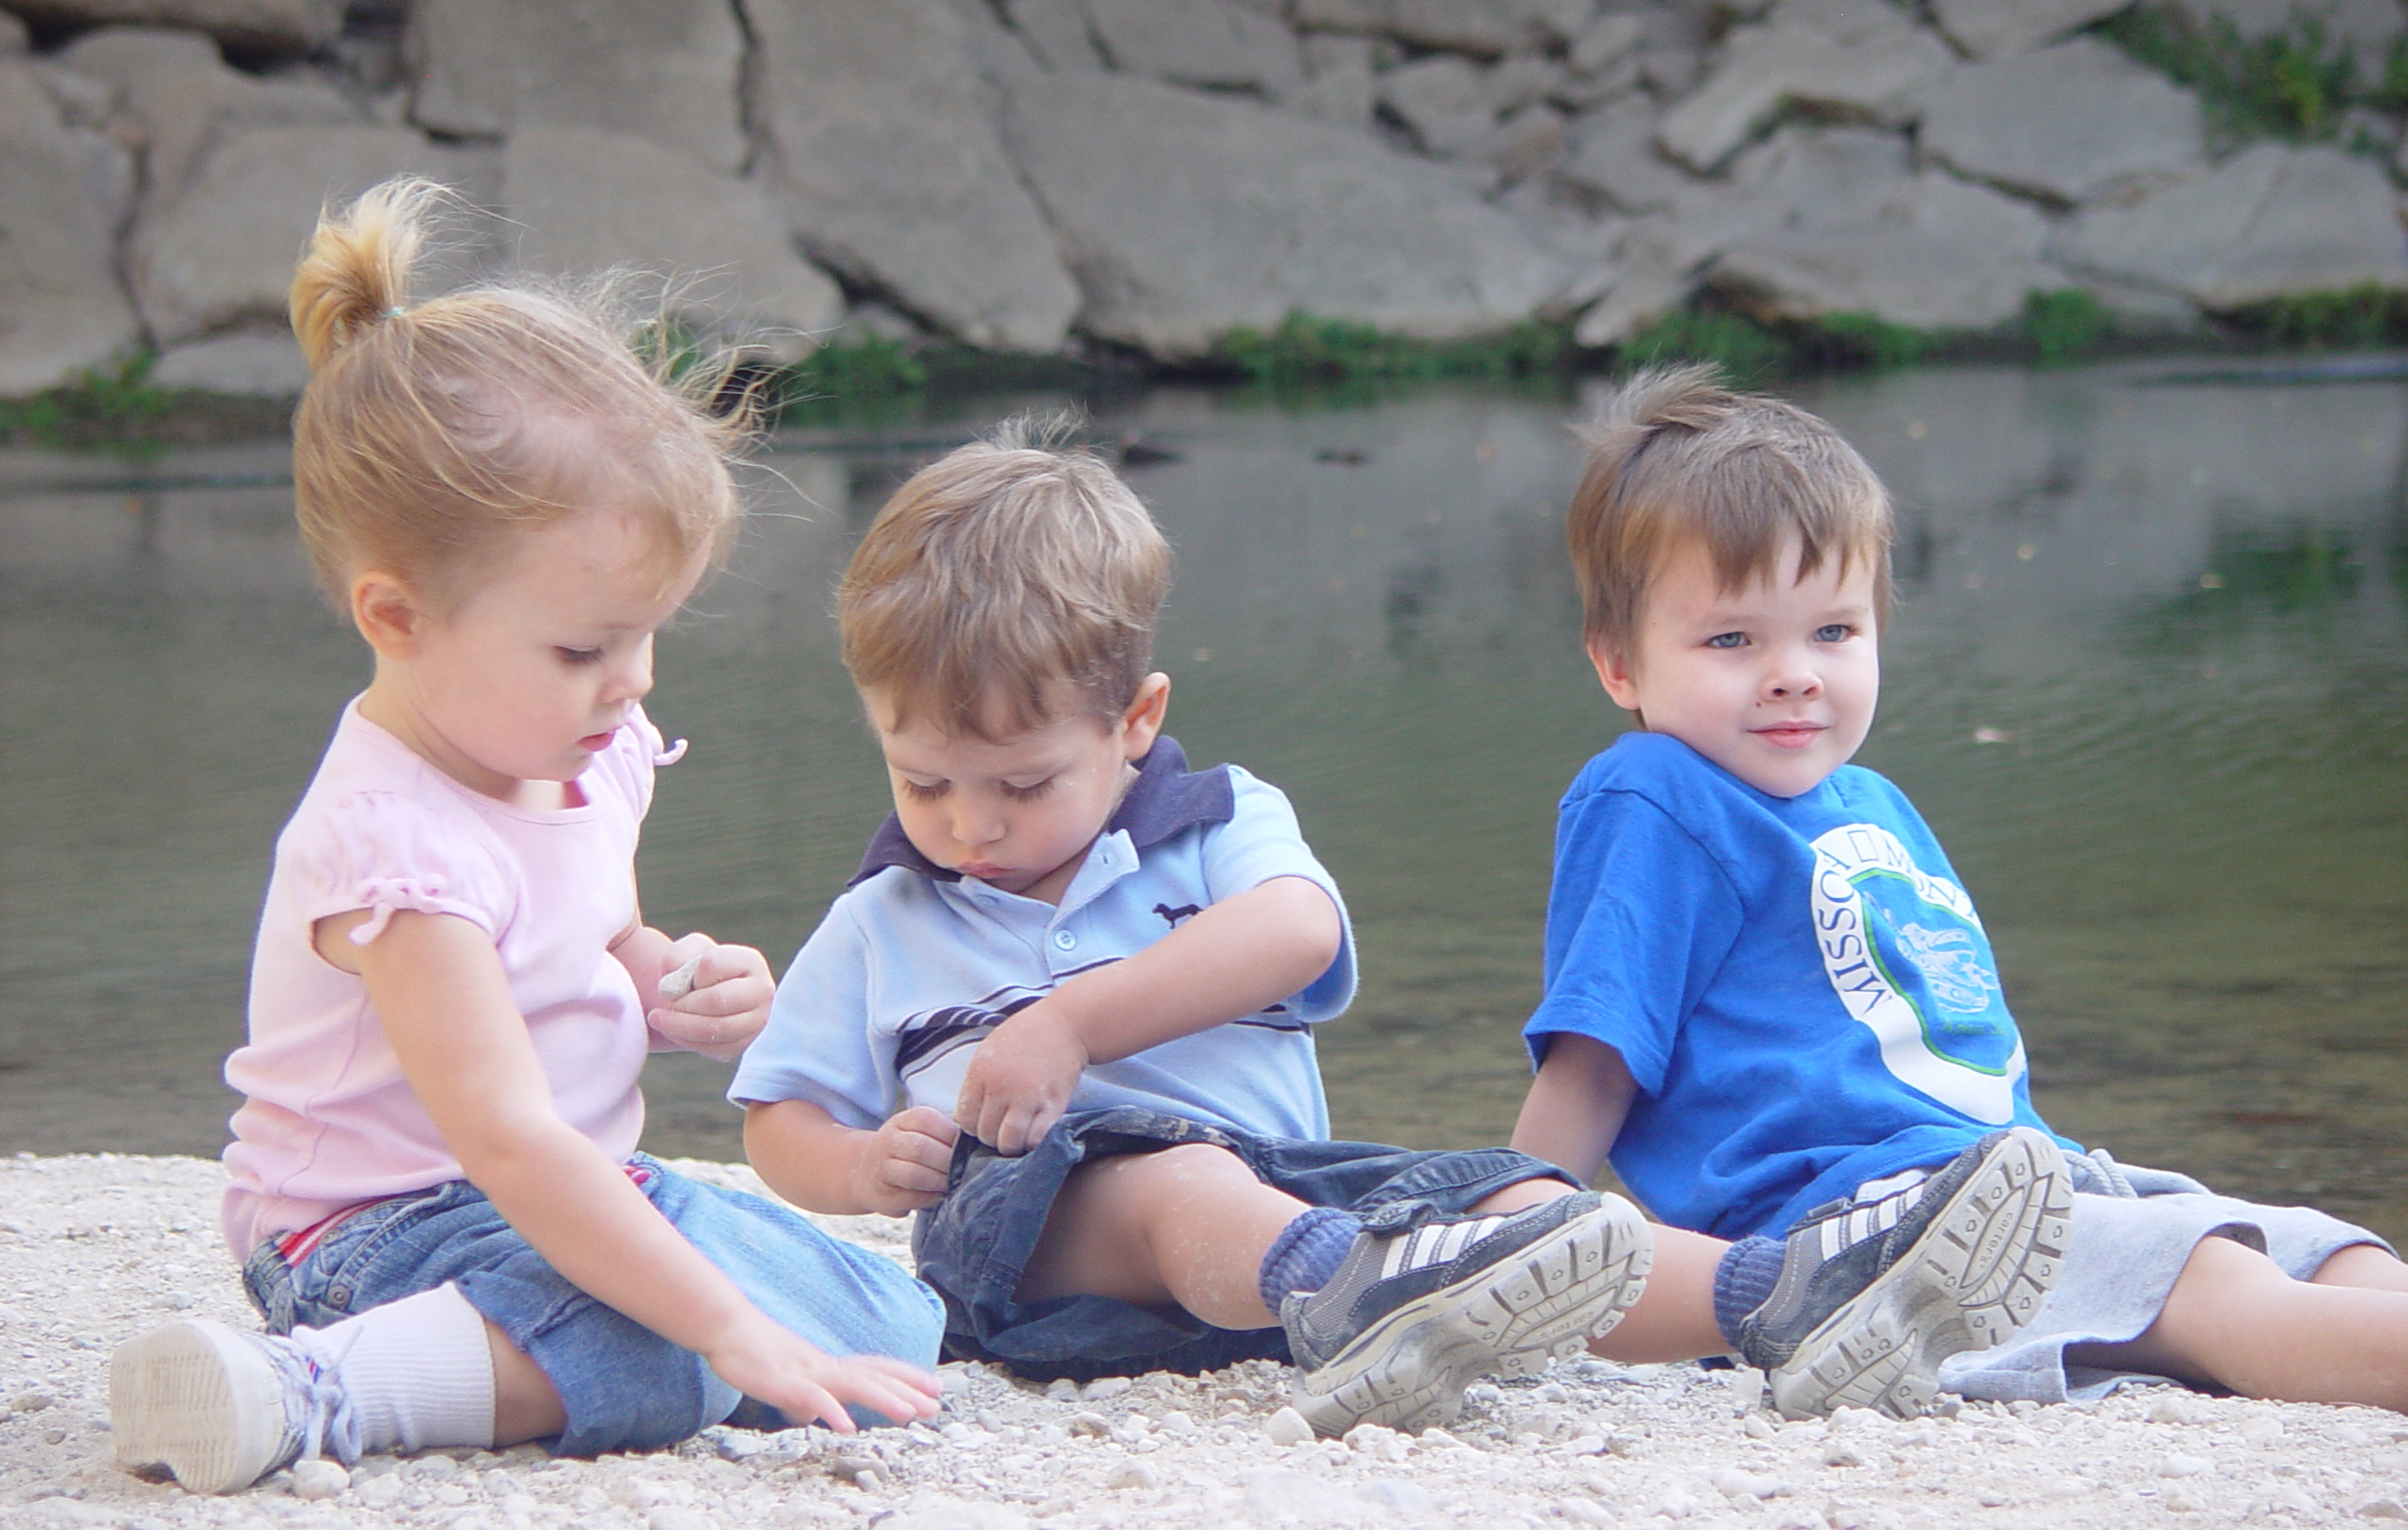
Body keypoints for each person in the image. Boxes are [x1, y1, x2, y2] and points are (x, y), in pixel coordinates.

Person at [730, 422, 2058, 1435]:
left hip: (1287, 1196)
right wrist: (860, 1170)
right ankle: (1358, 1292)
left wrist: (1074, 1016)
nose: (969, 826)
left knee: (1513, 1202)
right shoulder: (885, 917)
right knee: (1160, 1177)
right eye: (923, 782)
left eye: (1021, 785)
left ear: (1135, 725)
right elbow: (776, 1119)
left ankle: (1782, 1298)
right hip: (1035, 1248)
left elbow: (1297, 935)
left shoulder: (1214, 826)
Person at [109, 179, 945, 1496]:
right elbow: (504, 1134)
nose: (634, 683)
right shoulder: (395, 849)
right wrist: (722, 1325)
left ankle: (587, 1336)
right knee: (681, 1347)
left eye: (647, 634)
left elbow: (586, 936)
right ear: (397, 617)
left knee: (888, 1317)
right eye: (583, 647)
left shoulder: (577, 749)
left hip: (543, 1196)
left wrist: (667, 978)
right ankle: (308, 1386)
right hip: (371, 1234)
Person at [1511, 362, 2408, 1414]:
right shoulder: (1654, 793)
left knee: (2326, 1251)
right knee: (2224, 1297)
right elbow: (1594, 1061)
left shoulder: (1872, 804)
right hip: (1876, 1226)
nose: (1794, 671)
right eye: (1730, 639)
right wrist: (1507, 1237)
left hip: (2020, 1175)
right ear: (1619, 665)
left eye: (1832, 631)